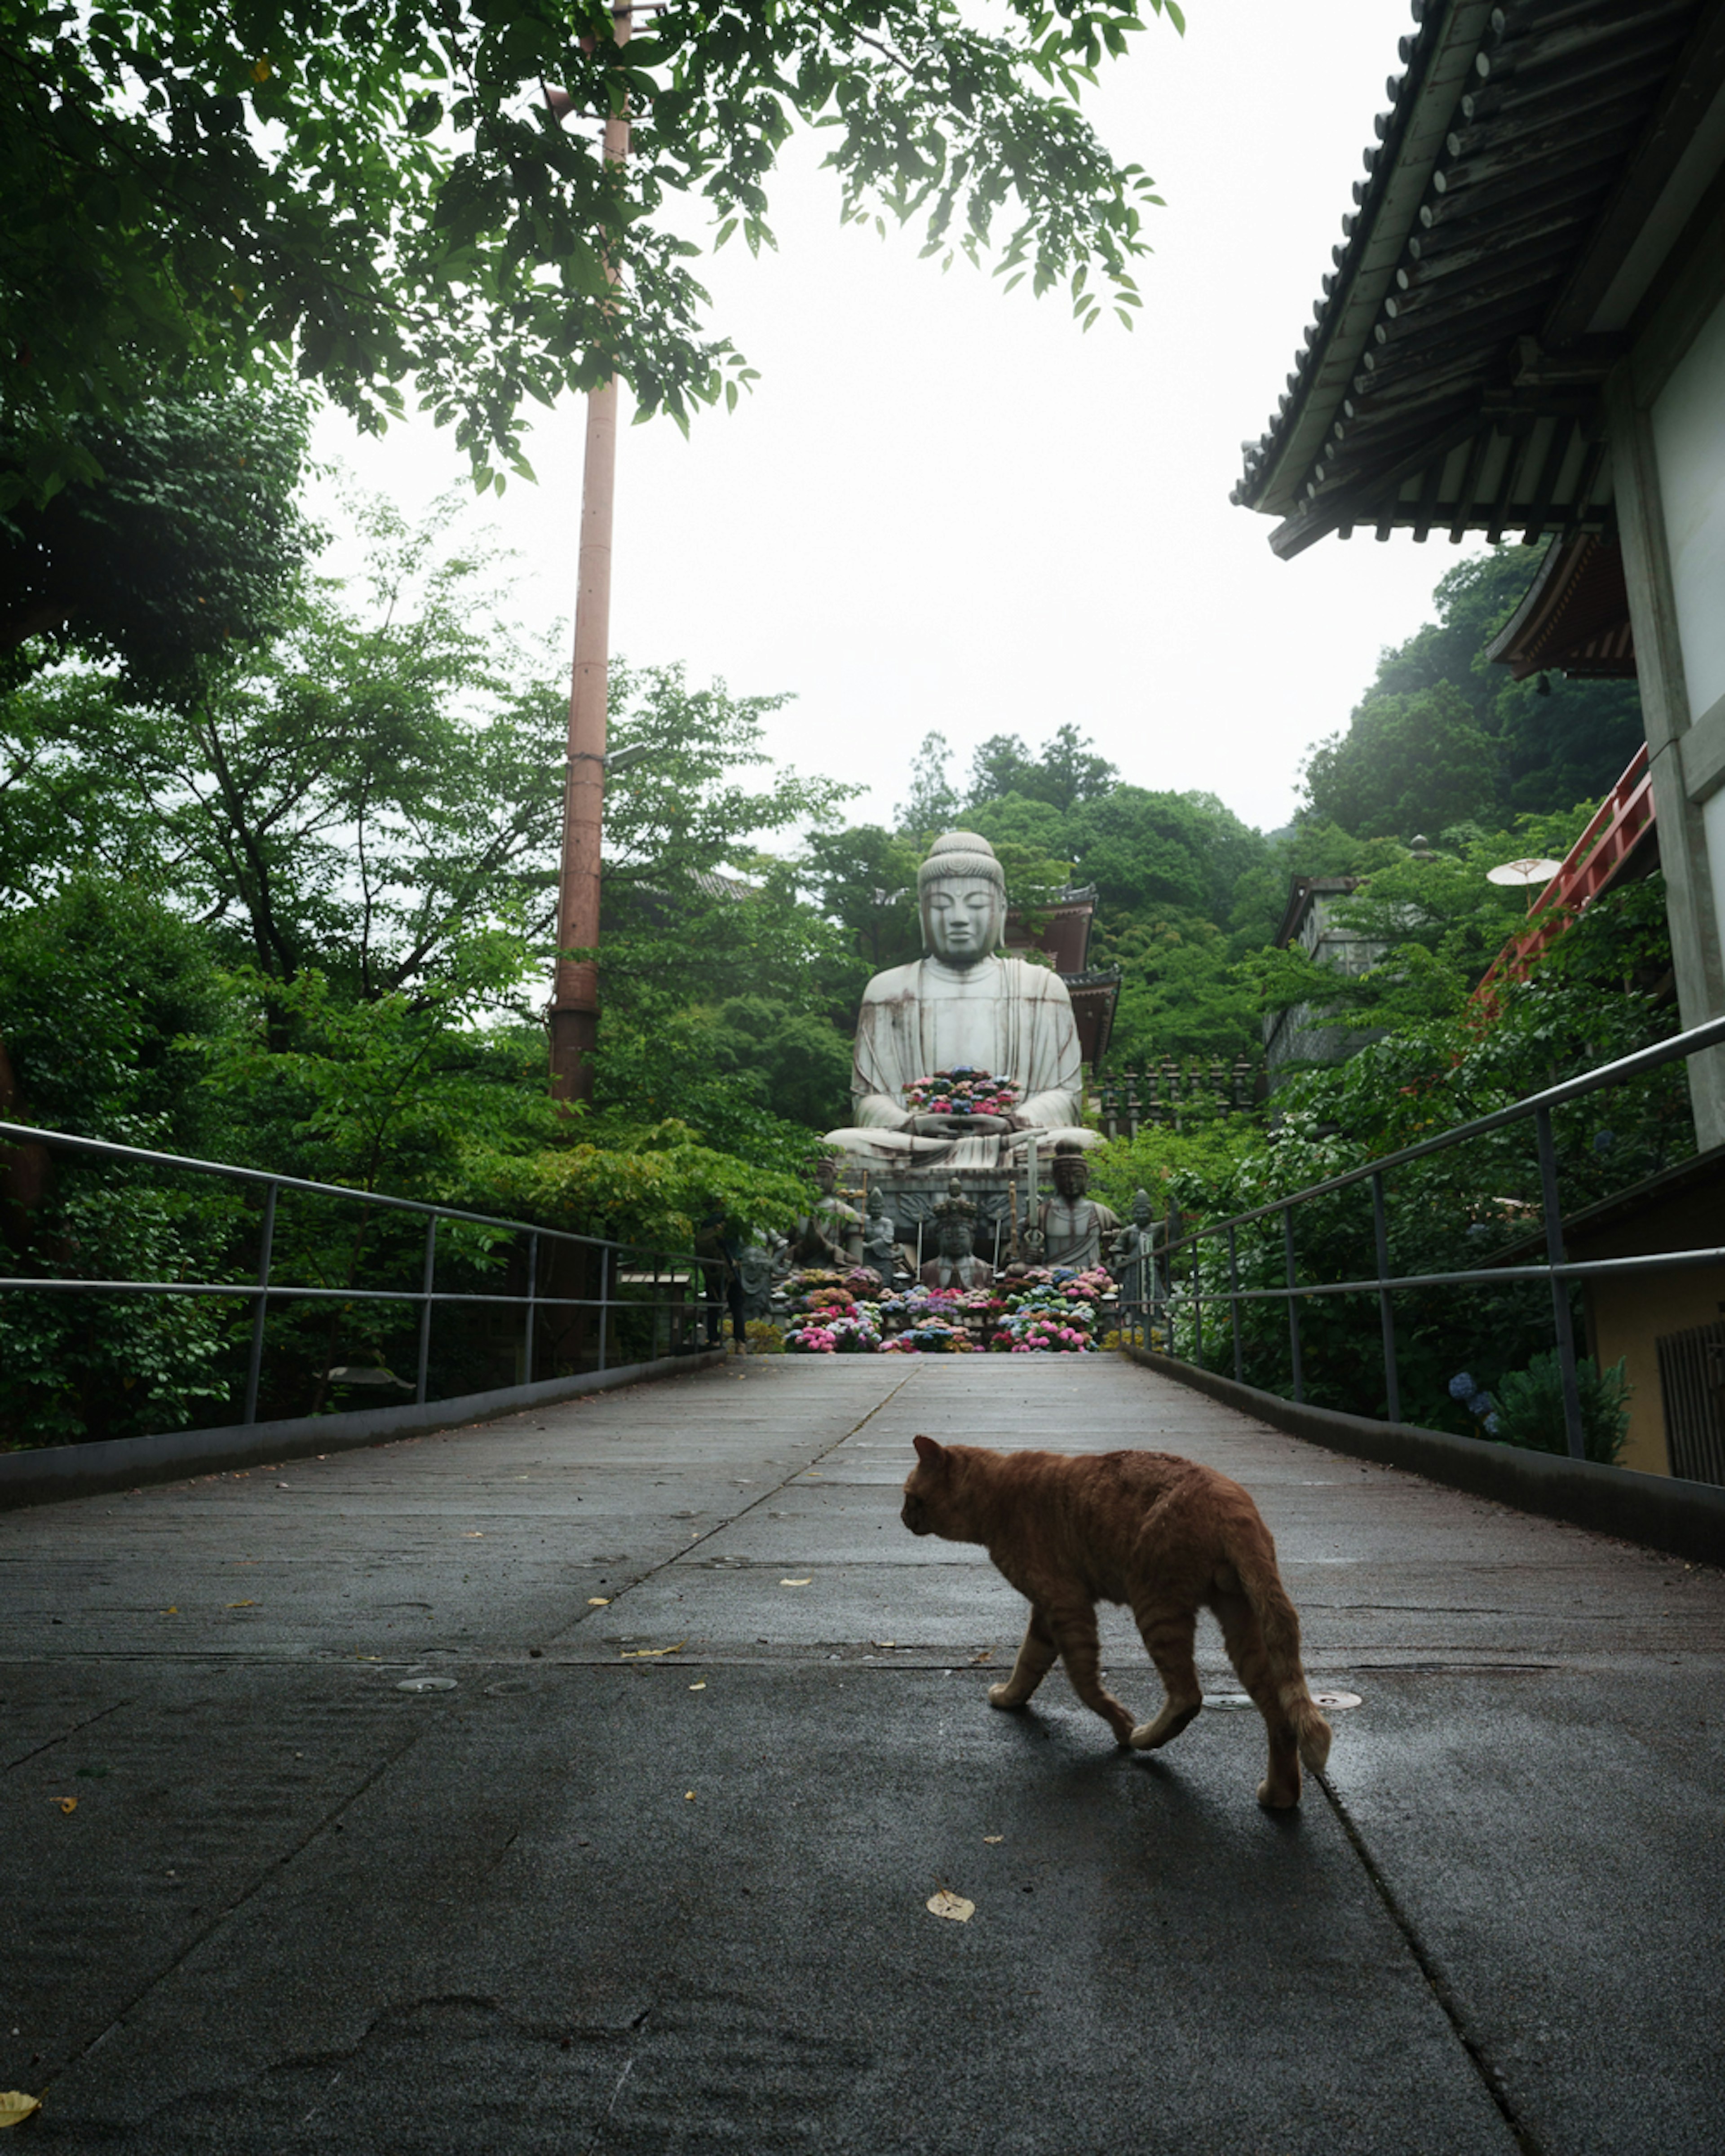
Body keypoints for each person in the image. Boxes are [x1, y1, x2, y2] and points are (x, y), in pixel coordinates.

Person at [825, 831, 1099, 1171]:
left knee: (1087, 1146)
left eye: (975, 904)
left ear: (1001, 910)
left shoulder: (1042, 987)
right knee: (838, 1146)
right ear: (923, 914)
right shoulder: (888, 991)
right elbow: (868, 1099)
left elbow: (1065, 1095)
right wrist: (912, 1124)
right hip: (917, 1143)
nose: (958, 917)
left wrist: (1013, 1122)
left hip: (1011, 1141)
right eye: (941, 905)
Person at [1039, 1141, 1121, 1271]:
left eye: (1077, 1176)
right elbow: (1026, 1257)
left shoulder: (1103, 1214)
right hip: (1051, 1277)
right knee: (1015, 1269)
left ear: (1086, 1178)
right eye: (1064, 1176)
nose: (1071, 1181)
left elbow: (1118, 1253)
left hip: (1092, 1278)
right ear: (1055, 1178)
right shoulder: (1042, 1214)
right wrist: (1031, 1254)